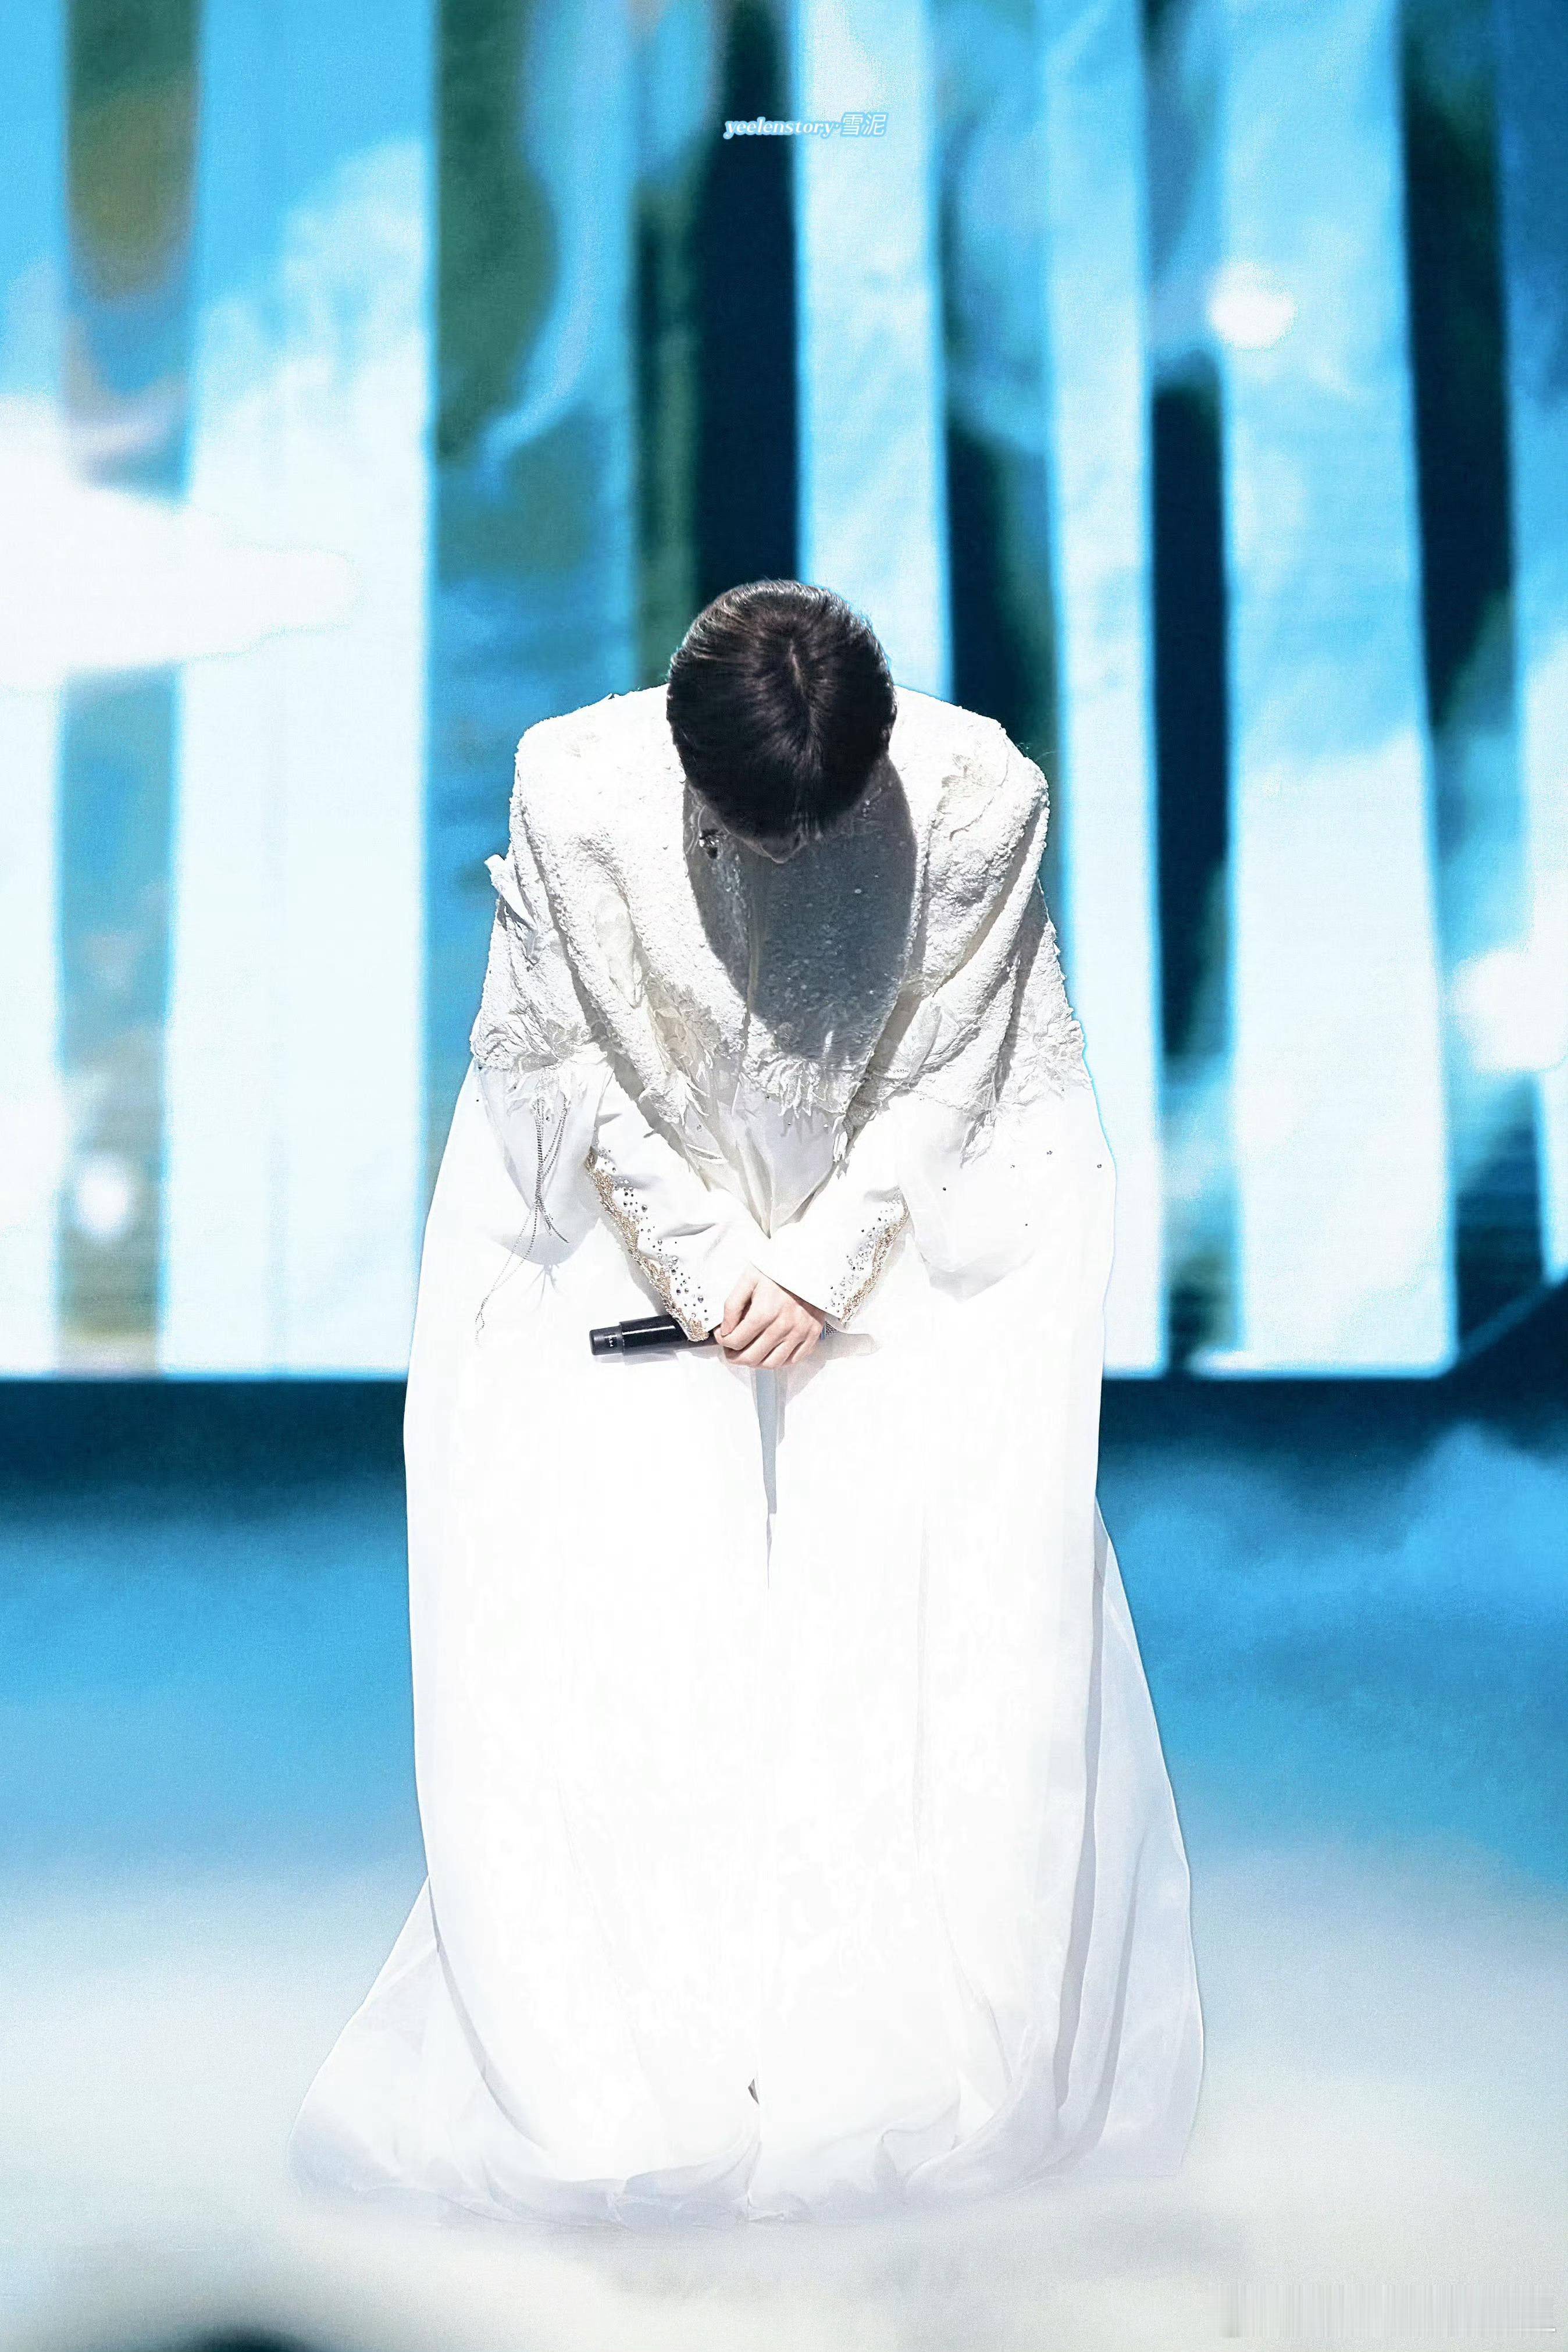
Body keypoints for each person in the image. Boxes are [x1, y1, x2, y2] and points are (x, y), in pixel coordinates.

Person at [287, 579, 1203, 2227]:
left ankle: (899, 2038)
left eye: (822, 824)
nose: (784, 855)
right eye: (746, 824)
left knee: (945, 1601)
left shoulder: (981, 794)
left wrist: (829, 1265)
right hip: (621, 1197)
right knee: (615, 1595)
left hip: (935, 1209)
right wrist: (714, 1267)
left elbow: (955, 1063)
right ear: (680, 755)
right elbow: (573, 1066)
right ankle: (644, 2043)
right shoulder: (575, 788)